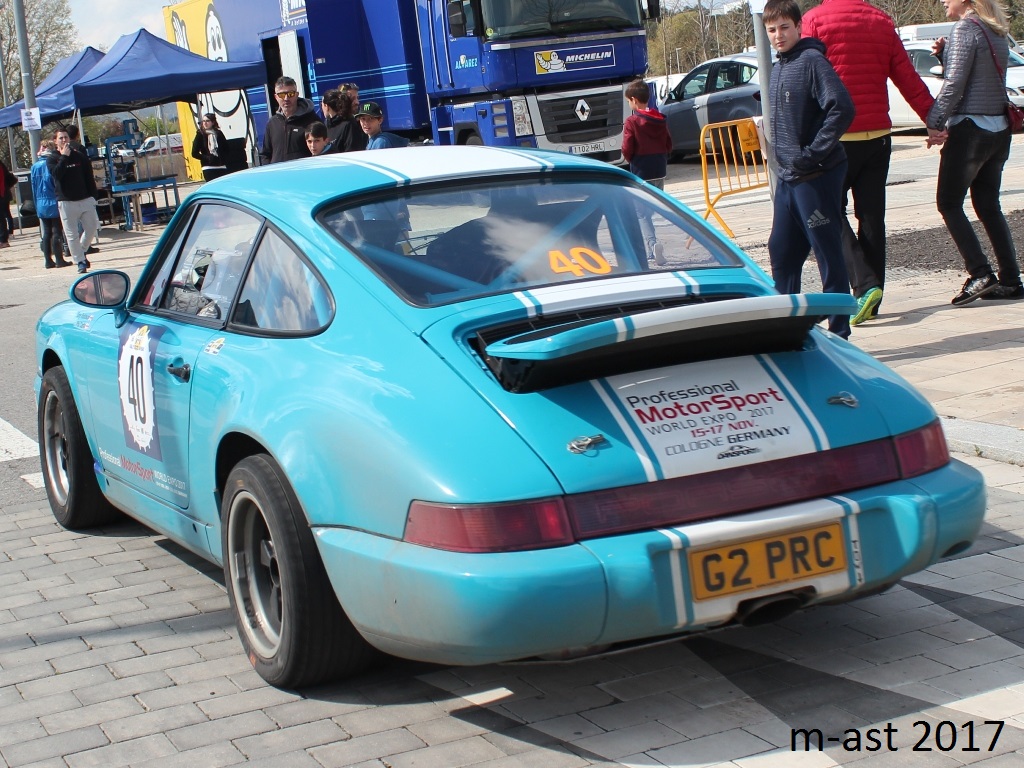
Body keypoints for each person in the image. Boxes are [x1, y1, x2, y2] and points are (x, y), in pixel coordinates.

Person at [803, 0, 944, 326]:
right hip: (878, 135)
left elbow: (807, 79)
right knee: (871, 217)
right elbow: (907, 77)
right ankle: (873, 296)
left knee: (826, 212)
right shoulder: (881, 20)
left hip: (836, 138)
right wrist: (933, 119)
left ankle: (864, 285)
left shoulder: (814, 21)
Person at [763, 0, 855, 339]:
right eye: (771, 30)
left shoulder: (812, 61)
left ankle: (840, 331)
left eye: (784, 27)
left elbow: (842, 109)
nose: (778, 35)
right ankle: (789, 325)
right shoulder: (781, 66)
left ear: (799, 26)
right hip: (789, 178)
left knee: (827, 253)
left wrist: (812, 154)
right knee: (781, 250)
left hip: (815, 176)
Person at [926, 0, 1023, 304]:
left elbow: (955, 83)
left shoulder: (965, 29)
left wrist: (933, 122)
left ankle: (980, 272)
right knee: (988, 204)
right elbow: (980, 76)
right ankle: (1011, 279)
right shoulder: (994, 29)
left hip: (970, 130)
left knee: (949, 202)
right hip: (998, 130)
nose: (943, 1)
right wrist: (946, 53)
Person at [622, 77, 673, 265]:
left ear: (634, 100)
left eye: (628, 100)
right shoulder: (659, 118)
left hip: (641, 171)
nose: (629, 104)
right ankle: (656, 240)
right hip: (660, 169)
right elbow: (669, 143)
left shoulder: (632, 121)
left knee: (641, 213)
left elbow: (627, 147)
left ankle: (652, 245)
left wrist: (630, 159)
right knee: (653, 208)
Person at [49, 128, 101, 274]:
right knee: (71, 234)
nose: (64, 140)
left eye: (66, 137)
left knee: (91, 228)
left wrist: (93, 196)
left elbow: (88, 176)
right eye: (61, 138)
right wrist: (64, 157)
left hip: (85, 199)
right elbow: (56, 175)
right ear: (55, 141)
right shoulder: (52, 159)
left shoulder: (80, 157)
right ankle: (80, 262)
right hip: (66, 202)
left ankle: (82, 252)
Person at [260, 76, 323, 163]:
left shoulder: (312, 120)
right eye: (281, 95)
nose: (286, 98)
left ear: (296, 95)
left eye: (290, 94)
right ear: (276, 97)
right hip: (278, 175)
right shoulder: (272, 123)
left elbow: (322, 150)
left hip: (303, 173)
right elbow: (265, 154)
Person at [31, 140, 71, 269]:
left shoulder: (35, 166)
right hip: (53, 199)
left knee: (46, 232)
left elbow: (33, 186)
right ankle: (59, 259)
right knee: (57, 231)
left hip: (41, 201)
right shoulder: (52, 163)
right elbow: (56, 181)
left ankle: (48, 260)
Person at [321, 88, 367, 153]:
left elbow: (352, 151)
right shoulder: (326, 124)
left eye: (322, 105)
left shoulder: (349, 124)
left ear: (326, 106)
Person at [192, 112, 229, 181]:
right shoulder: (200, 134)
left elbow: (226, 149)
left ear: (213, 122)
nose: (205, 123)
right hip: (208, 167)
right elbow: (194, 153)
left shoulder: (218, 133)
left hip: (221, 166)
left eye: (207, 121)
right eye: (203, 121)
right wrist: (207, 158)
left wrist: (223, 158)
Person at [0, 160, 16, 249]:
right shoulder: (2, 165)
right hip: (5, 193)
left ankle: (3, 239)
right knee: (6, 214)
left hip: (2, 194)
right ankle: (8, 234)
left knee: (2, 217)